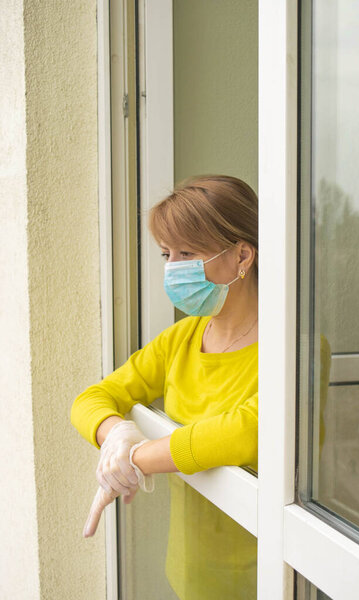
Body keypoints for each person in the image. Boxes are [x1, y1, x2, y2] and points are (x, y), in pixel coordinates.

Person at [70, 174, 258, 599]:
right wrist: (116, 435)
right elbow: (92, 399)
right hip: (189, 570)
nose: (173, 268)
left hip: (261, 576)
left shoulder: (294, 351)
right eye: (167, 254)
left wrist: (136, 459)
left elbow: (245, 431)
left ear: (242, 255)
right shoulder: (182, 338)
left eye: (187, 252)